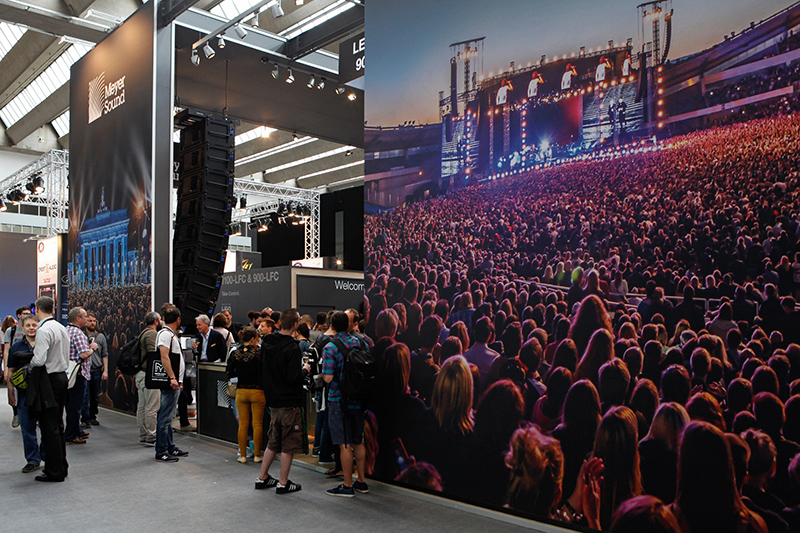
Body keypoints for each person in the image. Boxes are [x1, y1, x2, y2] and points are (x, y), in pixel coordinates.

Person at [255, 308, 309, 494]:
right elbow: (293, 377)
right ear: (295, 325)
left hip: (272, 400)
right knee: (288, 443)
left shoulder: (267, 342)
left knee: (273, 440)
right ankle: (283, 482)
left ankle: (262, 477)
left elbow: (261, 369)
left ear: (279, 323)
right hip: (289, 401)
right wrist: (306, 370)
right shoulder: (292, 347)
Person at [323, 310, 370, 497]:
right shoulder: (361, 342)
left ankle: (347, 485)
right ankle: (362, 481)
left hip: (338, 399)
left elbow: (327, 378)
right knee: (358, 441)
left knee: (343, 444)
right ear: (350, 325)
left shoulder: (330, 347)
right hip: (359, 398)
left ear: (332, 327)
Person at [29, 296, 70, 481]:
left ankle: (55, 471)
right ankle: (61, 466)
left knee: (49, 427)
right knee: (58, 425)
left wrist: (29, 366)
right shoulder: (61, 327)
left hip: (49, 380)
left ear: (37, 309)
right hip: (62, 377)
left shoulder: (43, 330)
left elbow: (39, 359)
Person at [7, 314, 43, 473]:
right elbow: (11, 370)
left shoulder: (44, 344)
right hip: (24, 393)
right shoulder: (16, 347)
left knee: (46, 426)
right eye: (28, 325)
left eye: (34, 325)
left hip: (43, 392)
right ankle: (33, 459)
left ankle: (46, 456)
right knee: (27, 428)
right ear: (23, 327)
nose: (31, 328)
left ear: (38, 326)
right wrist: (10, 392)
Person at [226, 326, 266, 464]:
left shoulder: (235, 353)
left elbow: (229, 372)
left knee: (243, 424)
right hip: (257, 391)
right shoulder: (259, 352)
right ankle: (257, 455)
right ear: (254, 338)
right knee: (257, 424)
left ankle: (242, 455)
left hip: (241, 392)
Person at [154, 305, 188, 462]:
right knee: (165, 417)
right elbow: (164, 357)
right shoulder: (165, 335)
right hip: (170, 382)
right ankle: (161, 451)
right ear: (178, 319)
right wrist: (172, 377)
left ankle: (170, 447)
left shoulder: (169, 334)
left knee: (168, 416)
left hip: (174, 381)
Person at [64, 307, 96, 445]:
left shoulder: (66, 330)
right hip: (78, 374)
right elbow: (83, 354)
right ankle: (71, 435)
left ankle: (76, 430)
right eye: (85, 317)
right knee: (75, 406)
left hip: (69, 374)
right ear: (78, 319)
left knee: (70, 405)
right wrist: (92, 348)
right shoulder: (77, 333)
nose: (87, 320)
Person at [136, 312, 161, 446]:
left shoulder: (143, 333)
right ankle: (151, 435)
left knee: (143, 406)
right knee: (151, 407)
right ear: (156, 321)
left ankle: (143, 434)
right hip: (148, 374)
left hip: (141, 374)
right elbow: (153, 355)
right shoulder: (151, 334)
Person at [82, 312, 108, 427]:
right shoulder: (81, 335)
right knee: (84, 395)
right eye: (90, 320)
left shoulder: (100, 337)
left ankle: (92, 416)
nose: (92, 323)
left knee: (95, 396)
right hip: (84, 369)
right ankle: (85, 418)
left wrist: (105, 370)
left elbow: (105, 354)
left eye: (94, 321)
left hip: (96, 369)